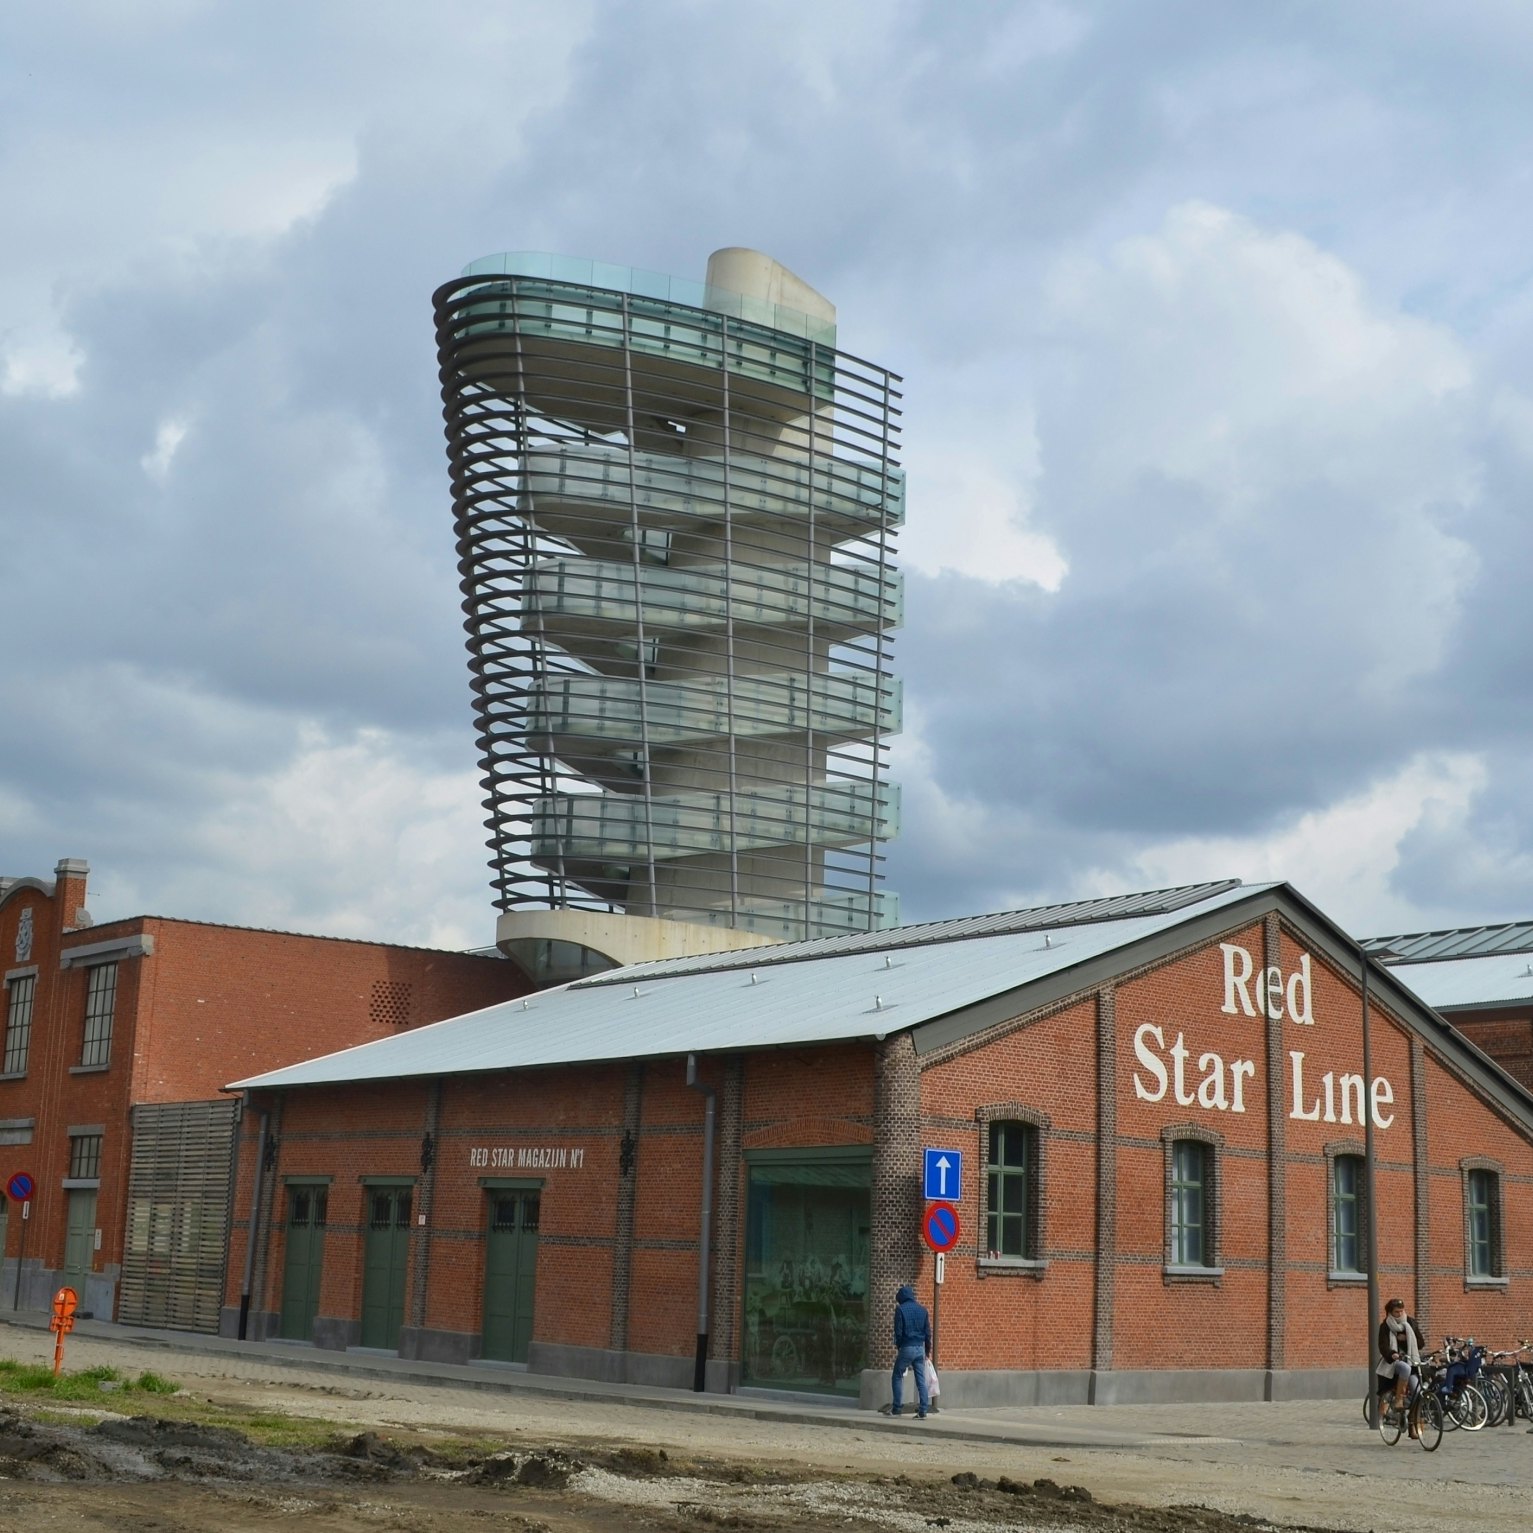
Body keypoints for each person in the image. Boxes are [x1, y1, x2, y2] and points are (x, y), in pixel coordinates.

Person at [1377, 1297, 1424, 1437]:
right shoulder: (1385, 1326)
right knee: (1405, 1369)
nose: (1399, 1314)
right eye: (1396, 1312)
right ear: (1390, 1313)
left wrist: (1407, 1339)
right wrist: (1392, 1354)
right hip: (1393, 1363)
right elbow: (1383, 1346)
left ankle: (1412, 1424)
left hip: (1411, 1360)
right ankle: (1398, 1398)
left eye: (1401, 1311)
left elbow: (1421, 1343)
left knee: (1418, 1390)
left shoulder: (1410, 1323)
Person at [889, 1283, 931, 1418]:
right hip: (920, 1348)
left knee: (897, 1375)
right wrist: (927, 1352)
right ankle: (923, 1410)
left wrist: (899, 1346)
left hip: (907, 1347)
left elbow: (898, 1332)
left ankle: (896, 1408)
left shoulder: (900, 1310)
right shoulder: (923, 1310)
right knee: (920, 1379)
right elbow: (928, 1333)